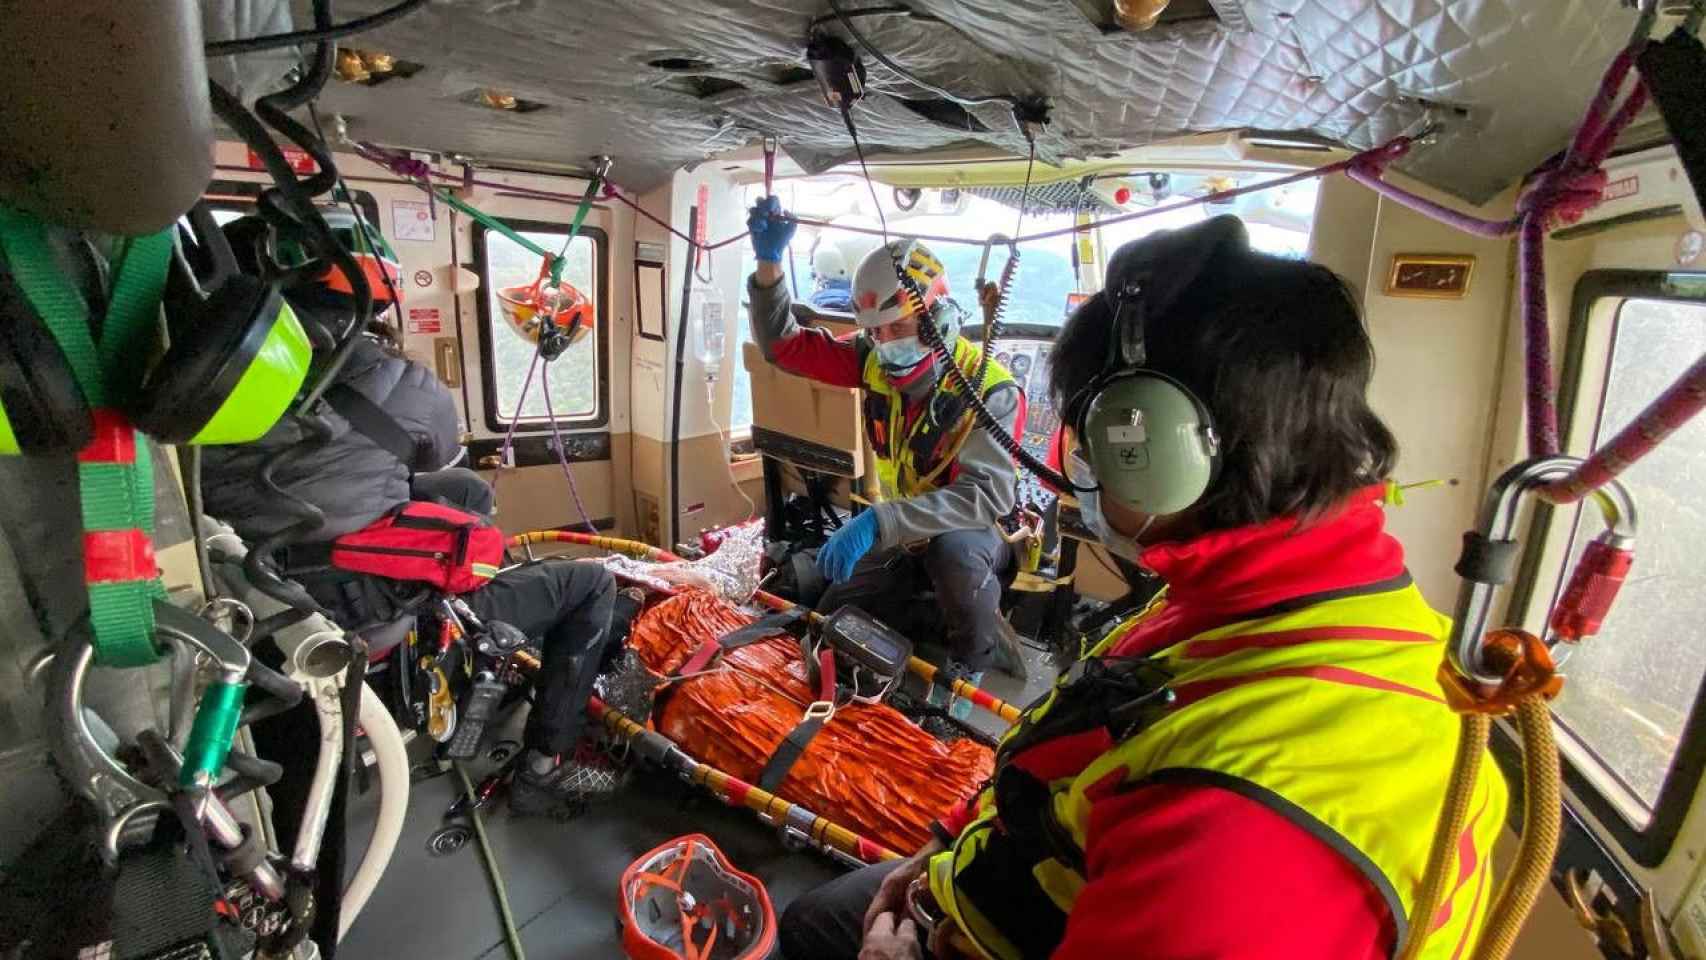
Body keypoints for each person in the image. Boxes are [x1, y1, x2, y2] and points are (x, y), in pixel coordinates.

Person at [778, 216, 1509, 960]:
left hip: (984, 908)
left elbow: (986, 501)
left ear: (1149, 449)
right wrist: (944, 845)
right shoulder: (1249, 608)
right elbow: (1073, 744)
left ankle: (968, 655)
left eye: (1092, 439)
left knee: (809, 927)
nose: (1080, 463)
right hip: (994, 874)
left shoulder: (1237, 829)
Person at [201, 214, 617, 818]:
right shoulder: (399, 381)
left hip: (255, 616)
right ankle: (544, 766)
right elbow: (434, 450)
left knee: (467, 492)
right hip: (368, 618)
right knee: (592, 583)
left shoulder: (201, 379)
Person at [746, 197, 1022, 688]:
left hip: (973, 537)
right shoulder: (869, 360)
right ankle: (925, 617)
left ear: (938, 318)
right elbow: (783, 346)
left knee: (954, 554)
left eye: (901, 326)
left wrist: (880, 520)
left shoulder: (990, 389)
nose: (887, 342)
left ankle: (973, 665)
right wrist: (768, 266)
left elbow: (988, 497)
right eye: (875, 331)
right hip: (903, 533)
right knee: (834, 617)